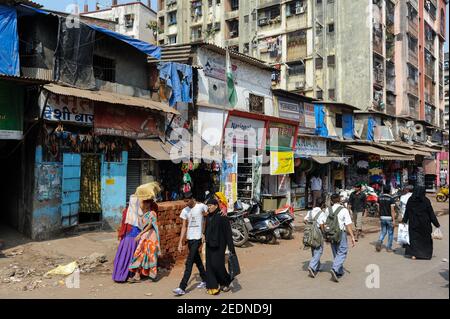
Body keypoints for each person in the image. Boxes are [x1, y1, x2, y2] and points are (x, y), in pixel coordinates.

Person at [173, 192, 209, 296]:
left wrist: (204, 233)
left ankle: (182, 287)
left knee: (189, 262)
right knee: (197, 261)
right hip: (190, 238)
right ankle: (205, 279)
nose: (186, 203)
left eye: (187, 201)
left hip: (198, 237)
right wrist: (180, 242)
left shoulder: (201, 206)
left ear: (193, 198)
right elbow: (184, 226)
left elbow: (207, 218)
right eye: (185, 201)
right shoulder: (185, 210)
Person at [128, 182, 161, 282]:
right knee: (139, 253)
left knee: (150, 255)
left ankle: (153, 275)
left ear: (148, 203)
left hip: (151, 236)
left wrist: (140, 233)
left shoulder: (152, 213)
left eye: (143, 202)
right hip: (144, 236)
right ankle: (137, 275)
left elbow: (150, 225)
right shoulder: (143, 214)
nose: (141, 204)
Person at [204, 198, 236, 295]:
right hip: (209, 244)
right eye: (208, 206)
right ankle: (213, 286)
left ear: (216, 206)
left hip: (219, 245)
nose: (209, 208)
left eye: (210, 205)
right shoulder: (208, 217)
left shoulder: (223, 217)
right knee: (209, 266)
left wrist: (231, 248)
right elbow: (207, 229)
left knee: (217, 265)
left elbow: (228, 233)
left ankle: (226, 281)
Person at [402, 186, 441, 260]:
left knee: (414, 239)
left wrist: (404, 220)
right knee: (425, 239)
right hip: (424, 224)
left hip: (413, 223)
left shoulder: (411, 200)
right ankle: (425, 255)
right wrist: (436, 224)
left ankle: (414, 254)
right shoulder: (426, 200)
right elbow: (431, 213)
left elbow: (407, 211)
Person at [112, 195, 142, 283]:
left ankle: (120, 275)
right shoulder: (139, 212)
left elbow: (123, 225)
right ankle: (131, 275)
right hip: (136, 238)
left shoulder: (126, 211)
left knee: (124, 256)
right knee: (133, 257)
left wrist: (121, 234)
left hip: (127, 238)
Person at [328, 194, 356, 283]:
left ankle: (339, 272)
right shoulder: (344, 210)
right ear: (340, 200)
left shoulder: (327, 210)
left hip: (331, 233)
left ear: (331, 201)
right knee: (343, 251)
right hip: (340, 233)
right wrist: (352, 236)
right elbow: (348, 224)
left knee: (336, 252)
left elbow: (325, 222)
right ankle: (335, 268)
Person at [304, 200, 327, 278]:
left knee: (314, 249)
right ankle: (312, 266)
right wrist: (324, 234)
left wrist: (310, 225)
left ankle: (318, 266)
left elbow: (305, 220)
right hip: (318, 233)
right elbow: (321, 224)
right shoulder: (321, 213)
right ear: (322, 205)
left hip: (309, 233)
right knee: (319, 250)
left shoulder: (310, 212)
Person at [375, 185, 396, 252]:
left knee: (383, 231)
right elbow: (392, 210)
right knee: (390, 233)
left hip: (382, 217)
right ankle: (389, 247)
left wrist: (379, 216)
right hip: (389, 218)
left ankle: (380, 240)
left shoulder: (379, 198)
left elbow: (378, 208)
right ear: (389, 190)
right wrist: (394, 220)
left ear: (383, 190)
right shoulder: (391, 198)